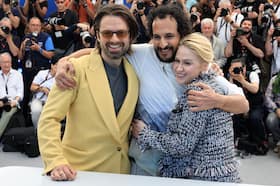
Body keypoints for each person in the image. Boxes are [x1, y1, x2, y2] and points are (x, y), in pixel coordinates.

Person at [55, 4, 249, 176]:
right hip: (144, 164)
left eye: (169, 36)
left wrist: (216, 101)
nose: (162, 44)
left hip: (183, 169)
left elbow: (243, 104)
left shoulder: (200, 65)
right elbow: (99, 52)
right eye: (157, 37)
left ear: (183, 35)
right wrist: (65, 60)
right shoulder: (141, 54)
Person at [38, 4, 139, 181]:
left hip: (122, 173)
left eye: (121, 33)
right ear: (97, 35)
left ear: (130, 35)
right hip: (80, 174)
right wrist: (55, 161)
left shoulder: (136, 69)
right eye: (107, 33)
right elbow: (49, 119)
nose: (114, 39)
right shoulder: (75, 69)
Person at [131, 33, 240, 182]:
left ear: (204, 64)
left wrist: (144, 134)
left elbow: (182, 145)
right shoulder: (210, 84)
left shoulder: (199, 93)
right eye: (177, 61)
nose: (179, 68)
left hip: (206, 178)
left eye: (187, 63)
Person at [228, 58, 268, 155]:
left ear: (244, 68)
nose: (238, 71)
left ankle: (261, 142)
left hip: (255, 105)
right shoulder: (231, 77)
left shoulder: (252, 74)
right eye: (234, 69)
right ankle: (234, 142)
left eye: (239, 68)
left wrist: (242, 80)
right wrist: (231, 78)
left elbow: (254, 89)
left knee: (255, 117)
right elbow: (230, 95)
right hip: (240, 105)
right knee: (232, 117)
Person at [0, 52, 23, 138]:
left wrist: (15, 101)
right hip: (1, 101)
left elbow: (20, 93)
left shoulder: (17, 74)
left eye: (8, 62)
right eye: (4, 62)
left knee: (8, 112)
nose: (7, 64)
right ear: (0, 63)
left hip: (12, 103)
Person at [29, 59, 57, 129]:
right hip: (39, 99)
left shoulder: (62, 77)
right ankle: (37, 130)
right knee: (36, 111)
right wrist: (43, 89)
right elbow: (32, 87)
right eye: (56, 66)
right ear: (52, 65)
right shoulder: (42, 73)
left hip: (52, 102)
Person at [264, 73, 280, 154]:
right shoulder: (275, 79)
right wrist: (276, 109)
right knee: (270, 120)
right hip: (277, 107)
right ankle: (278, 141)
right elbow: (267, 97)